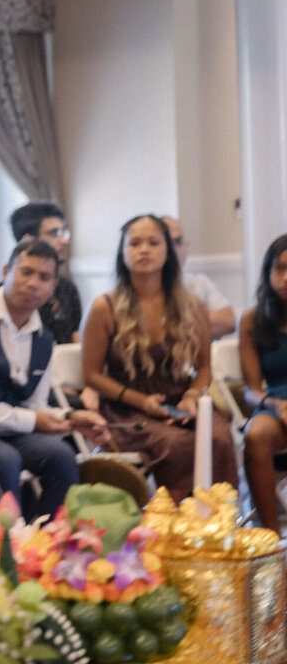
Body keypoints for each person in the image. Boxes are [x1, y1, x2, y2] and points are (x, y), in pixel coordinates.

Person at [0, 239, 109, 520]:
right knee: (4, 459)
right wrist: (31, 421)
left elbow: (34, 405)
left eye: (44, 277)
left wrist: (71, 416)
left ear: (53, 286)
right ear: (6, 271)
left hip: (7, 432)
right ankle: (9, 548)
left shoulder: (43, 338)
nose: (34, 283)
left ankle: (50, 543)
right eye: (26, 272)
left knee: (61, 455)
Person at [81, 214, 238, 502]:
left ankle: (218, 524)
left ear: (168, 251)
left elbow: (204, 368)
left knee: (219, 437)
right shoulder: (104, 307)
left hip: (181, 399)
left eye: (154, 242)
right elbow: (91, 375)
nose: (144, 250)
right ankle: (176, 526)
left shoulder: (191, 304)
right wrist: (141, 402)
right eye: (135, 243)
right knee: (176, 444)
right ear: (122, 252)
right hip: (127, 407)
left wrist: (191, 396)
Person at [239, 234, 287, 529]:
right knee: (255, 435)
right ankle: (268, 538)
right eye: (279, 268)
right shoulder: (251, 320)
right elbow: (250, 390)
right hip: (274, 406)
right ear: (268, 273)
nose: (285, 277)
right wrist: (277, 404)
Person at [9, 203, 81, 344]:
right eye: (54, 233)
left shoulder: (67, 288)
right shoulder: (6, 290)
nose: (64, 241)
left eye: (63, 233)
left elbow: (76, 338)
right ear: (28, 240)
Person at [161, 216, 236, 339]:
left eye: (178, 241)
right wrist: (203, 317)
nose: (174, 249)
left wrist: (174, 323)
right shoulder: (146, 290)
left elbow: (229, 321)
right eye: (168, 242)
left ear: (186, 245)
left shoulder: (200, 282)